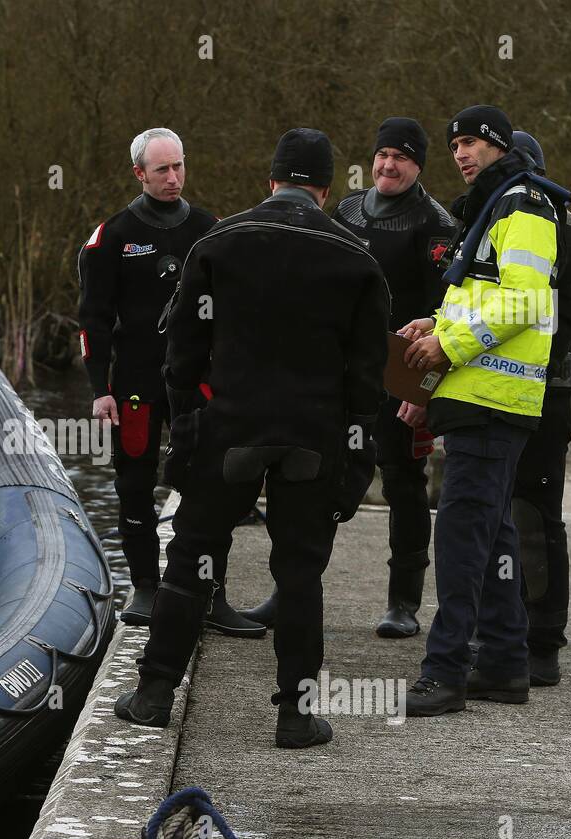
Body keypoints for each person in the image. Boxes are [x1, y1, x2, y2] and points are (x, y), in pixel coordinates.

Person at [113, 128, 390, 747]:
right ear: (323, 188)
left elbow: (180, 353)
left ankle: (154, 693)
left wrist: (187, 427)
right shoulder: (356, 258)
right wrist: (355, 456)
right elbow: (368, 379)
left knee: (190, 564)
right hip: (312, 437)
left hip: (228, 430)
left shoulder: (218, 244)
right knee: (299, 574)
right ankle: (295, 714)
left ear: (271, 181)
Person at [242, 118, 457, 639]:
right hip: (335, 371)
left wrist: (426, 392)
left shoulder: (436, 224)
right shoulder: (346, 209)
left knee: (405, 486)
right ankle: (288, 590)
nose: (388, 165)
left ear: (419, 165)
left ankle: (403, 601)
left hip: (399, 375)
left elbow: (449, 312)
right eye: (382, 155)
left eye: (401, 157)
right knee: (310, 478)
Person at [396, 106, 561, 716]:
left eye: (470, 143)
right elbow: (483, 299)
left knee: (463, 536)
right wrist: (434, 326)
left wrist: (449, 344)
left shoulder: (523, 205)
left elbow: (525, 302)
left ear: (497, 145)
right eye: (454, 145)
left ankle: (445, 672)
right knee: (491, 533)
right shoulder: (497, 205)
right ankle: (502, 664)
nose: (460, 154)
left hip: (493, 398)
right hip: (478, 396)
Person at [79, 128, 262, 638]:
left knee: (210, 487)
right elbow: (92, 320)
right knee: (134, 484)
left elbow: (236, 311)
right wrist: (100, 389)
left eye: (178, 166)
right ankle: (144, 586)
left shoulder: (210, 230)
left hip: (198, 384)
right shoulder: (112, 236)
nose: (173, 177)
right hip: (135, 383)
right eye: (161, 169)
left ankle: (211, 595)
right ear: (139, 174)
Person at [506, 130, 571, 686]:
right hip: (499, 386)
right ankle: (505, 627)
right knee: (497, 515)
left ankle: (542, 638)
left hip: (546, 390)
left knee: (536, 515)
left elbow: (557, 332)